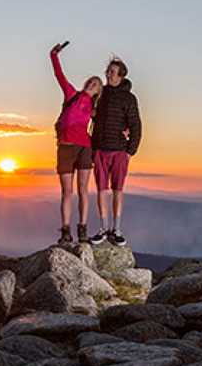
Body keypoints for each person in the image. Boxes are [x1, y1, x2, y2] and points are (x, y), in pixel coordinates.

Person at [50, 42, 102, 244]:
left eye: (96, 84)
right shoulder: (71, 94)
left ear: (98, 91)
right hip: (66, 146)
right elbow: (59, 75)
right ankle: (65, 231)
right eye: (91, 81)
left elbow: (109, 121)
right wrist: (54, 54)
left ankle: (82, 229)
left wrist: (125, 130)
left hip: (85, 148)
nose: (92, 83)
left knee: (83, 190)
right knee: (67, 191)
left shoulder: (95, 108)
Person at [89, 56, 141, 246]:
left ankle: (116, 230)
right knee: (102, 190)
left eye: (111, 72)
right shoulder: (100, 95)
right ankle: (103, 229)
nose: (108, 74)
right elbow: (93, 118)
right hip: (100, 150)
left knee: (117, 190)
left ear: (121, 75)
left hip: (119, 150)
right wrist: (93, 149)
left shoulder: (129, 98)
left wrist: (130, 151)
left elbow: (135, 125)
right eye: (107, 71)